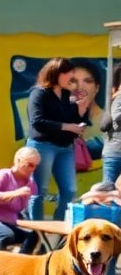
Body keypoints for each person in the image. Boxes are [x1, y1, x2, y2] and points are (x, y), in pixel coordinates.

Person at [26, 57, 90, 220]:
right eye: (68, 74)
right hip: (42, 146)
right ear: (56, 74)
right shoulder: (39, 93)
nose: (71, 78)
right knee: (39, 191)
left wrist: (81, 112)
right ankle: (36, 234)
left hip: (65, 147)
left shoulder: (67, 94)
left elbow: (72, 118)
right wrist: (67, 127)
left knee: (69, 191)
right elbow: (37, 121)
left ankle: (57, 228)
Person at [100, 65, 121, 275]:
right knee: (113, 220)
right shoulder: (120, 96)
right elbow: (116, 121)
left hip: (115, 154)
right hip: (116, 155)